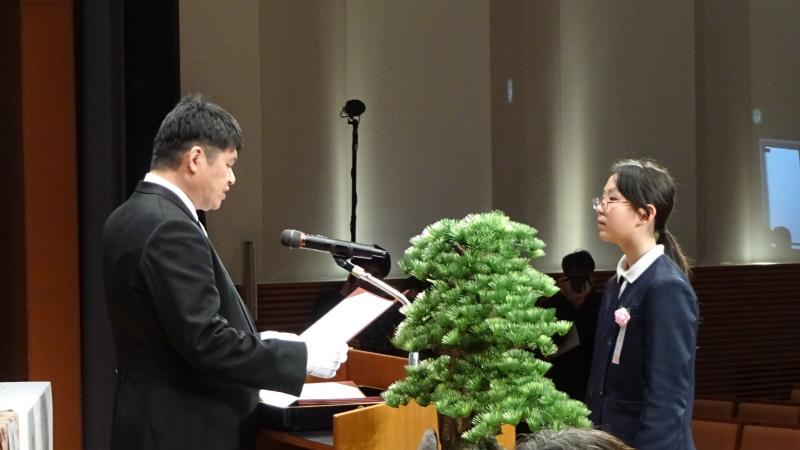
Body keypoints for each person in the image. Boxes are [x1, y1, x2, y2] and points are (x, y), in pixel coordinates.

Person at [102, 94, 348, 450]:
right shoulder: (170, 226)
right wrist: (301, 356)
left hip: (149, 420)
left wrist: (267, 340)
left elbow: (173, 329)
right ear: (195, 158)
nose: (232, 178)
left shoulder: (127, 215)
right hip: (183, 430)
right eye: (229, 164)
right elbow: (205, 341)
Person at [585, 159, 698, 449]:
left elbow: (668, 398)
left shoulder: (666, 286)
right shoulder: (615, 285)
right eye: (601, 198)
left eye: (612, 199)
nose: (600, 208)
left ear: (644, 214)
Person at [539, 250, 601, 401]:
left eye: (582, 277)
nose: (578, 283)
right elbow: (551, 342)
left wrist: (581, 304)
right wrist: (561, 297)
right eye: (574, 277)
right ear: (565, 277)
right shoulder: (554, 304)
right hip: (563, 377)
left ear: (592, 276)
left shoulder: (601, 302)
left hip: (593, 377)